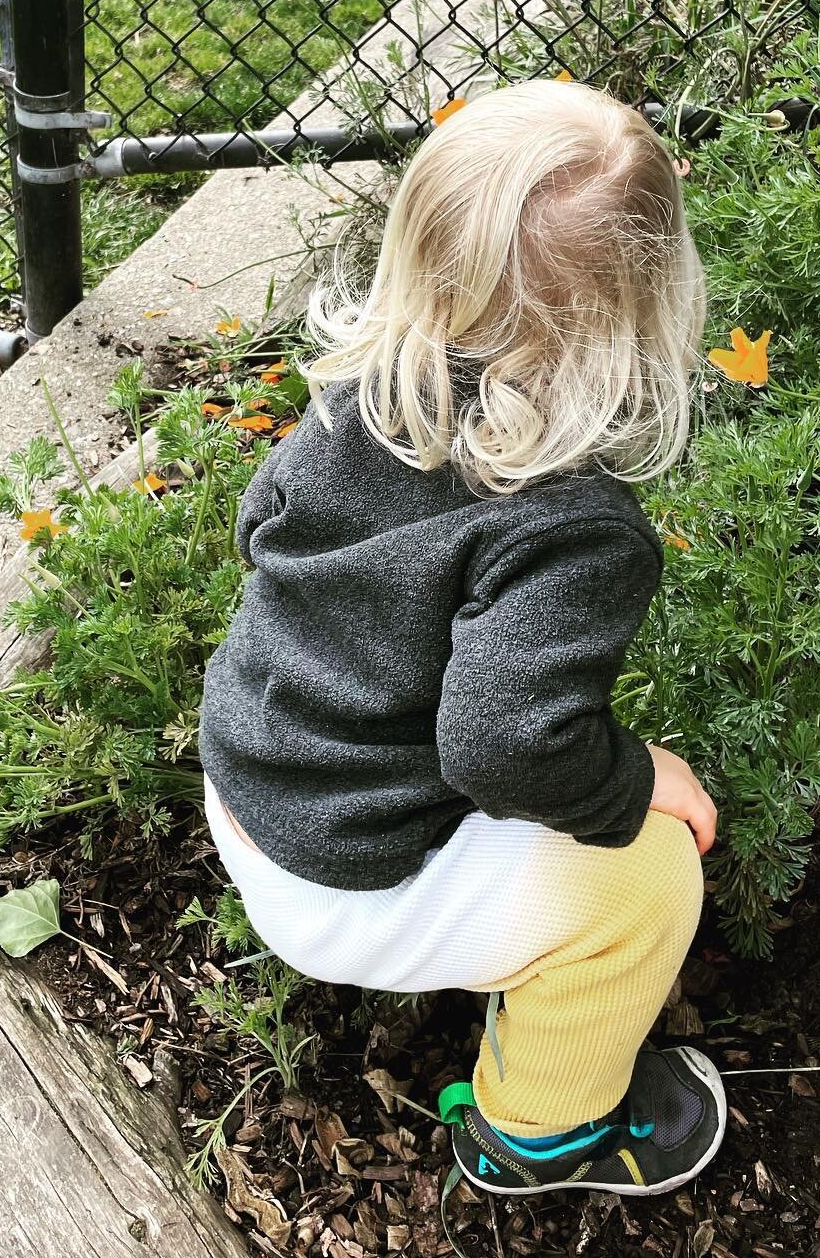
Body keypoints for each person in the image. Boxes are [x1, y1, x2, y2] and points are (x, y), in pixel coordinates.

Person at [198, 79, 725, 1197]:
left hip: (247, 781)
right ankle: (541, 1137)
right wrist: (637, 780)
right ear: (646, 312)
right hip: (348, 885)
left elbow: (263, 527)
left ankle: (487, 943)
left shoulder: (364, 391)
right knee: (653, 880)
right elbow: (501, 746)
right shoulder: (576, 530)